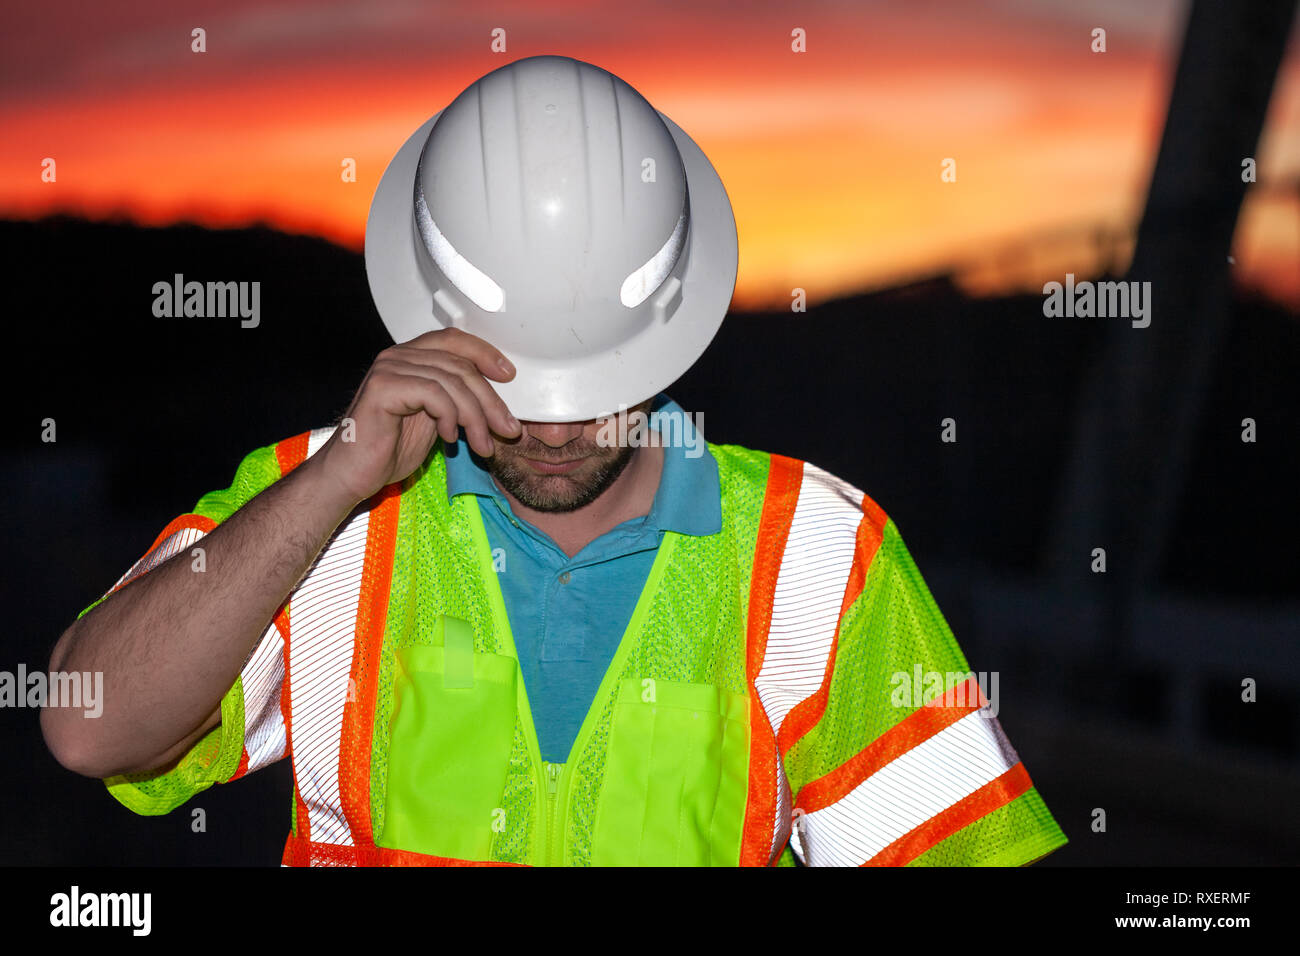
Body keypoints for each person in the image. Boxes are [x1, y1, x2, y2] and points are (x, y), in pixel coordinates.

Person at [42, 55, 1068, 867]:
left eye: (591, 384)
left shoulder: (812, 551)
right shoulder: (324, 511)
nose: (560, 428)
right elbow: (89, 730)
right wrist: (331, 486)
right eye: (522, 385)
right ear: (430, 330)